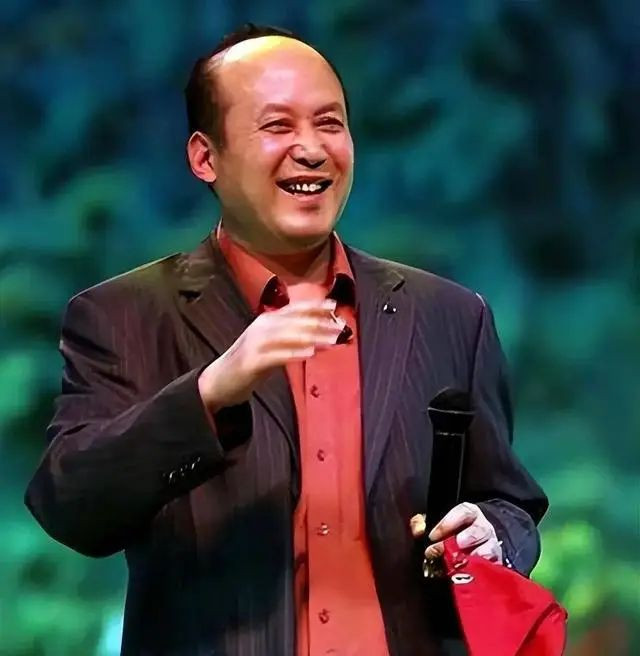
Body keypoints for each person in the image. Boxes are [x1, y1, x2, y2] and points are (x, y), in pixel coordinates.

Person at [25, 24, 548, 656]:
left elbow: (509, 502)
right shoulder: (125, 316)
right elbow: (71, 506)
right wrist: (210, 393)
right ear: (205, 157)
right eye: (277, 126)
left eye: (330, 124)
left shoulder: (449, 316)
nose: (311, 149)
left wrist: (494, 535)